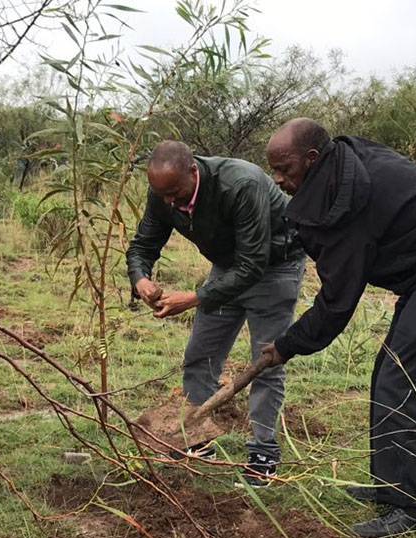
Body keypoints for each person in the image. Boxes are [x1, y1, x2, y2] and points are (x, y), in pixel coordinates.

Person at [261, 118, 416, 538]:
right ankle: (390, 485)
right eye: (274, 170)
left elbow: (336, 304)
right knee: (388, 372)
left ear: (313, 159)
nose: (279, 179)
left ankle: (406, 511)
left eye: (286, 170)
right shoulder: (341, 169)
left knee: (403, 380)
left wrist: (285, 345)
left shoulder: (348, 198)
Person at [126, 140, 305, 487]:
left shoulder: (242, 183)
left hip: (275, 267)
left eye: (176, 194)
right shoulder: (164, 192)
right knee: (200, 355)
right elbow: (143, 245)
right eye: (163, 196)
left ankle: (262, 457)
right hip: (228, 267)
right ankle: (197, 440)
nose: (170, 203)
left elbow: (253, 265)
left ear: (194, 171)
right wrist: (141, 279)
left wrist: (194, 298)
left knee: (266, 360)